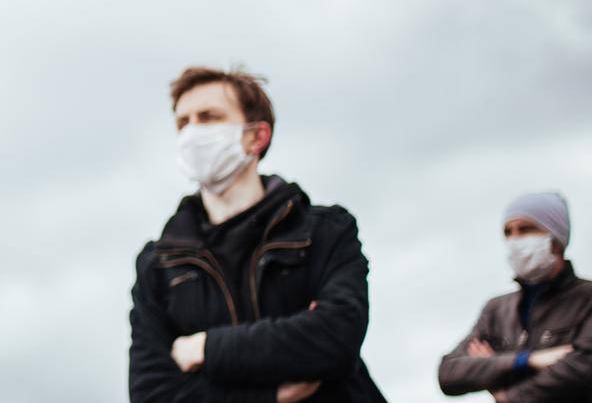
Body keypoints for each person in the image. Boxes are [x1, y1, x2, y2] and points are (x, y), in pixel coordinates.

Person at [128, 66, 387, 402]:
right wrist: (269, 396)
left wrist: (205, 347)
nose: (192, 133)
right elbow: (152, 393)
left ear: (257, 137)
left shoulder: (325, 231)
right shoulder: (159, 264)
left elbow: (334, 338)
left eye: (208, 117)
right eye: (183, 122)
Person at [437, 191, 592, 401]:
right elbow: (449, 373)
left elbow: (582, 369)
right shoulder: (496, 310)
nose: (514, 239)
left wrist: (505, 394)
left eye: (526, 229)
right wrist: (527, 360)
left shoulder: (586, 299)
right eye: (508, 232)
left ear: (556, 240)